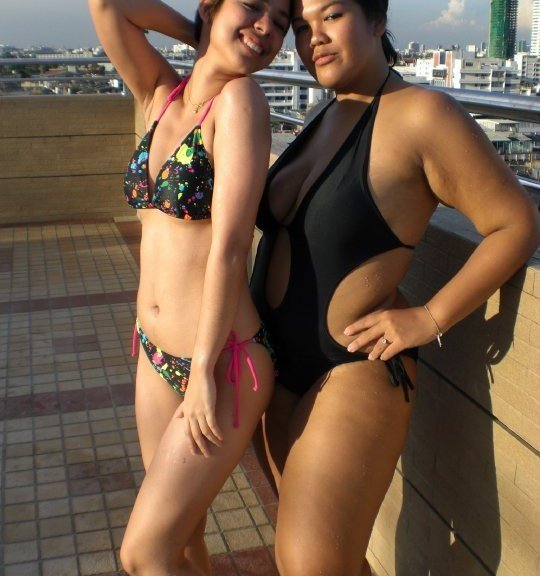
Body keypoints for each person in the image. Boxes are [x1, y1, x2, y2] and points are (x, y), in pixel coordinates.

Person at [247, 0, 540, 574]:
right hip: (277, 363)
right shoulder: (328, 112)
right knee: (328, 557)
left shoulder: (421, 115)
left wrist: (430, 317)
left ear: (377, 20)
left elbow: (516, 223)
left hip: (351, 367)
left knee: (308, 565)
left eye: (332, 15)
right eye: (302, 27)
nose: (313, 38)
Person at [88, 0, 290, 573]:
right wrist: (200, 34)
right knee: (183, 540)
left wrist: (201, 372)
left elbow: (230, 246)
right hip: (155, 354)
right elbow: (108, 6)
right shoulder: (162, 94)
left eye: (280, 22)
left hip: (224, 363)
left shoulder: (241, 101)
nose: (266, 28)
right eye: (252, 7)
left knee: (143, 553)